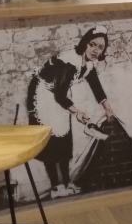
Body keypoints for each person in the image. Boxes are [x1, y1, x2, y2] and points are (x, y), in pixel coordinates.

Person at [27, 26, 113, 198]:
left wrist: (107, 107)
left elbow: (95, 85)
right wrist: (77, 112)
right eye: (92, 45)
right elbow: (59, 95)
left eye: (100, 47)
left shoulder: (88, 62)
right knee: (50, 139)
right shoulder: (70, 62)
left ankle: (67, 183)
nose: (95, 50)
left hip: (58, 94)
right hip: (42, 94)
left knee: (64, 138)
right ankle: (56, 187)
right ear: (85, 43)